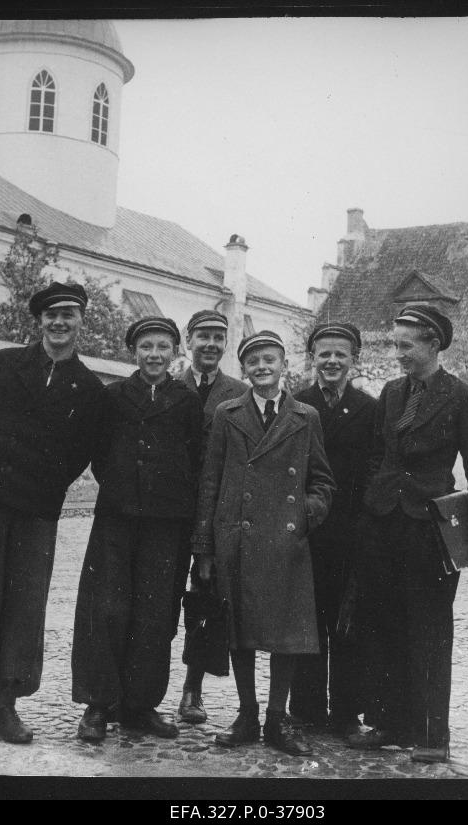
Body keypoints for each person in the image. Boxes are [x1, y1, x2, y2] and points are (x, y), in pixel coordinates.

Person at [348, 304, 468, 763]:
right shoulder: (390, 393)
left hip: (429, 531)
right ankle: (388, 723)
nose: (398, 354)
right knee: (383, 626)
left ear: (433, 344)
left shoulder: (463, 397)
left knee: (429, 631)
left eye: (405, 345)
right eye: (395, 345)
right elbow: (377, 456)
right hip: (383, 524)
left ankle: (433, 735)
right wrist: (372, 502)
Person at [192, 330, 336, 756]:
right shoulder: (226, 412)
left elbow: (323, 481)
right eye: (253, 361)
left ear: (283, 364)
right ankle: (247, 714)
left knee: (285, 633)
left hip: (287, 541)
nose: (262, 367)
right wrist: (204, 545)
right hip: (236, 534)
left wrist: (304, 514)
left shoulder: (305, 415)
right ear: (244, 369)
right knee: (240, 630)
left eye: (269, 359)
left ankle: (277, 718)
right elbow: (210, 481)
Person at [0, 281, 108, 744]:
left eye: (68, 315)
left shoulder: (89, 388)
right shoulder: (1, 364)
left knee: (24, 604)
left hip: (38, 509)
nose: (59, 322)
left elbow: (83, 451)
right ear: (39, 321)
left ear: (80, 322)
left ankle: (6, 706)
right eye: (51, 314)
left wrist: (48, 481)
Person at [71, 316, 203, 742]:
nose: (154, 355)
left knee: (155, 611)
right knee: (106, 606)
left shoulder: (187, 400)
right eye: (146, 346)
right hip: (117, 517)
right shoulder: (114, 397)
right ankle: (98, 704)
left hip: (167, 522)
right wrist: (125, 486)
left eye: (163, 347)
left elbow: (196, 458)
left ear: (174, 353)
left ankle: (140, 705)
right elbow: (98, 454)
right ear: (134, 351)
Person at [288, 323, 377, 737]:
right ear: (312, 358)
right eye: (324, 354)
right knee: (306, 621)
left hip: (349, 532)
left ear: (354, 360)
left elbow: (374, 471)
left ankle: (345, 714)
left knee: (347, 624)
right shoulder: (296, 404)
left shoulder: (370, 408)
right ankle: (305, 710)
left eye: (341, 354)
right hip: (305, 530)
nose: (332, 361)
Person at [174, 309, 247, 725]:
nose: (211, 344)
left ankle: (192, 689)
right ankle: (132, 692)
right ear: (189, 340)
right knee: (160, 600)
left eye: (219, 337)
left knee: (205, 598)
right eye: (203, 335)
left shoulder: (237, 392)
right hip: (170, 511)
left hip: (216, 513)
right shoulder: (168, 386)